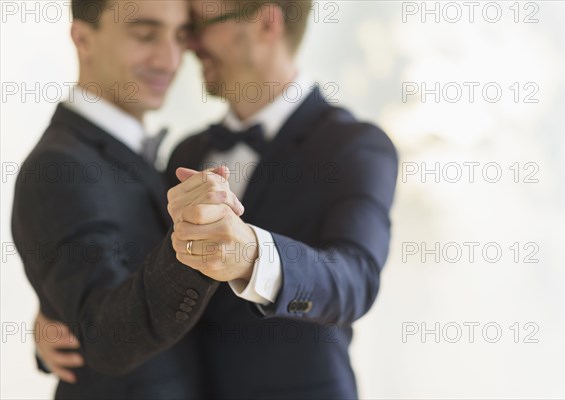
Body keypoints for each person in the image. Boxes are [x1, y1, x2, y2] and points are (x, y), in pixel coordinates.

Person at [35, 0, 399, 398]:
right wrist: (58, 310)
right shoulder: (186, 154)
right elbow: (135, 271)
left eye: (200, 25)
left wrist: (253, 257)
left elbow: (355, 278)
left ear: (265, 23)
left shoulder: (355, 146)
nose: (186, 47)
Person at [11, 0, 241, 398]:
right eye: (145, 34)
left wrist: (59, 306)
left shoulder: (149, 154)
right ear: (83, 38)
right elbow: (106, 336)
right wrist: (197, 241)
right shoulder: (56, 168)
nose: (170, 60)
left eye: (180, 36)